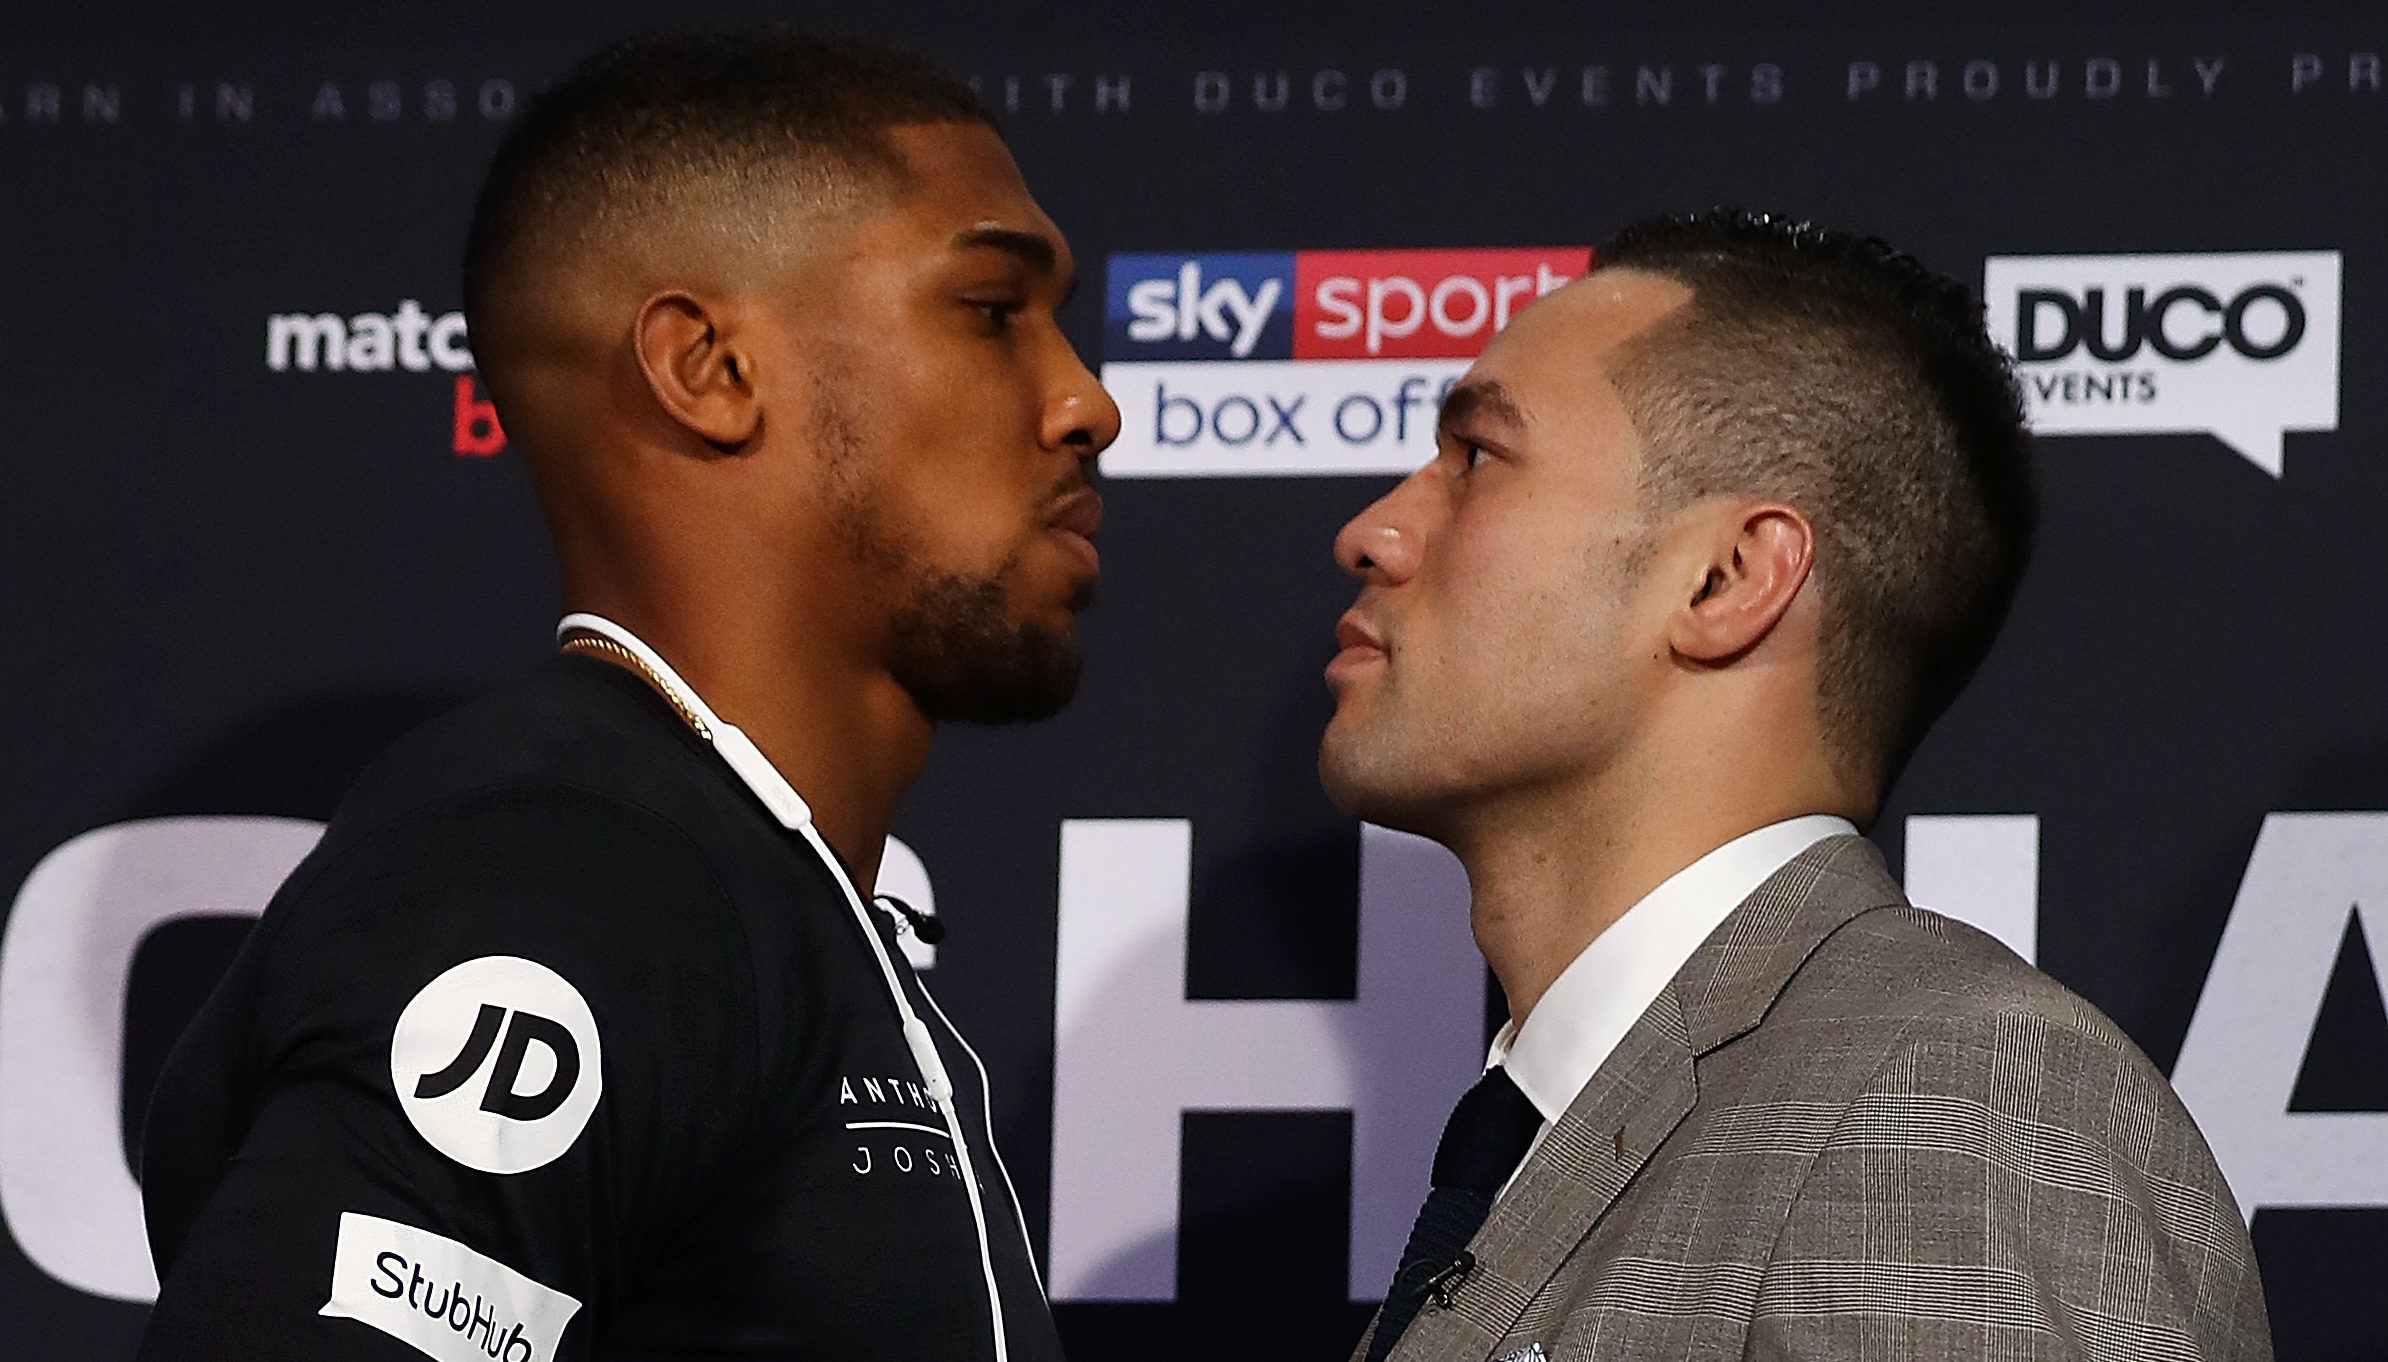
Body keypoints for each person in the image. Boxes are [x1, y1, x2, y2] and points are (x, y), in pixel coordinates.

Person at [139, 30, 1117, 1362]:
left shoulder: (739, 876)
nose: (1087, 400)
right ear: (709, 370)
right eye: (994, 310)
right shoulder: (574, 867)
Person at [1324, 211, 2269, 1362]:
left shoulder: (1953, 1107)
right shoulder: (1546, 1141)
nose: (1372, 532)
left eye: (1476, 458)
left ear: (1726, 579)